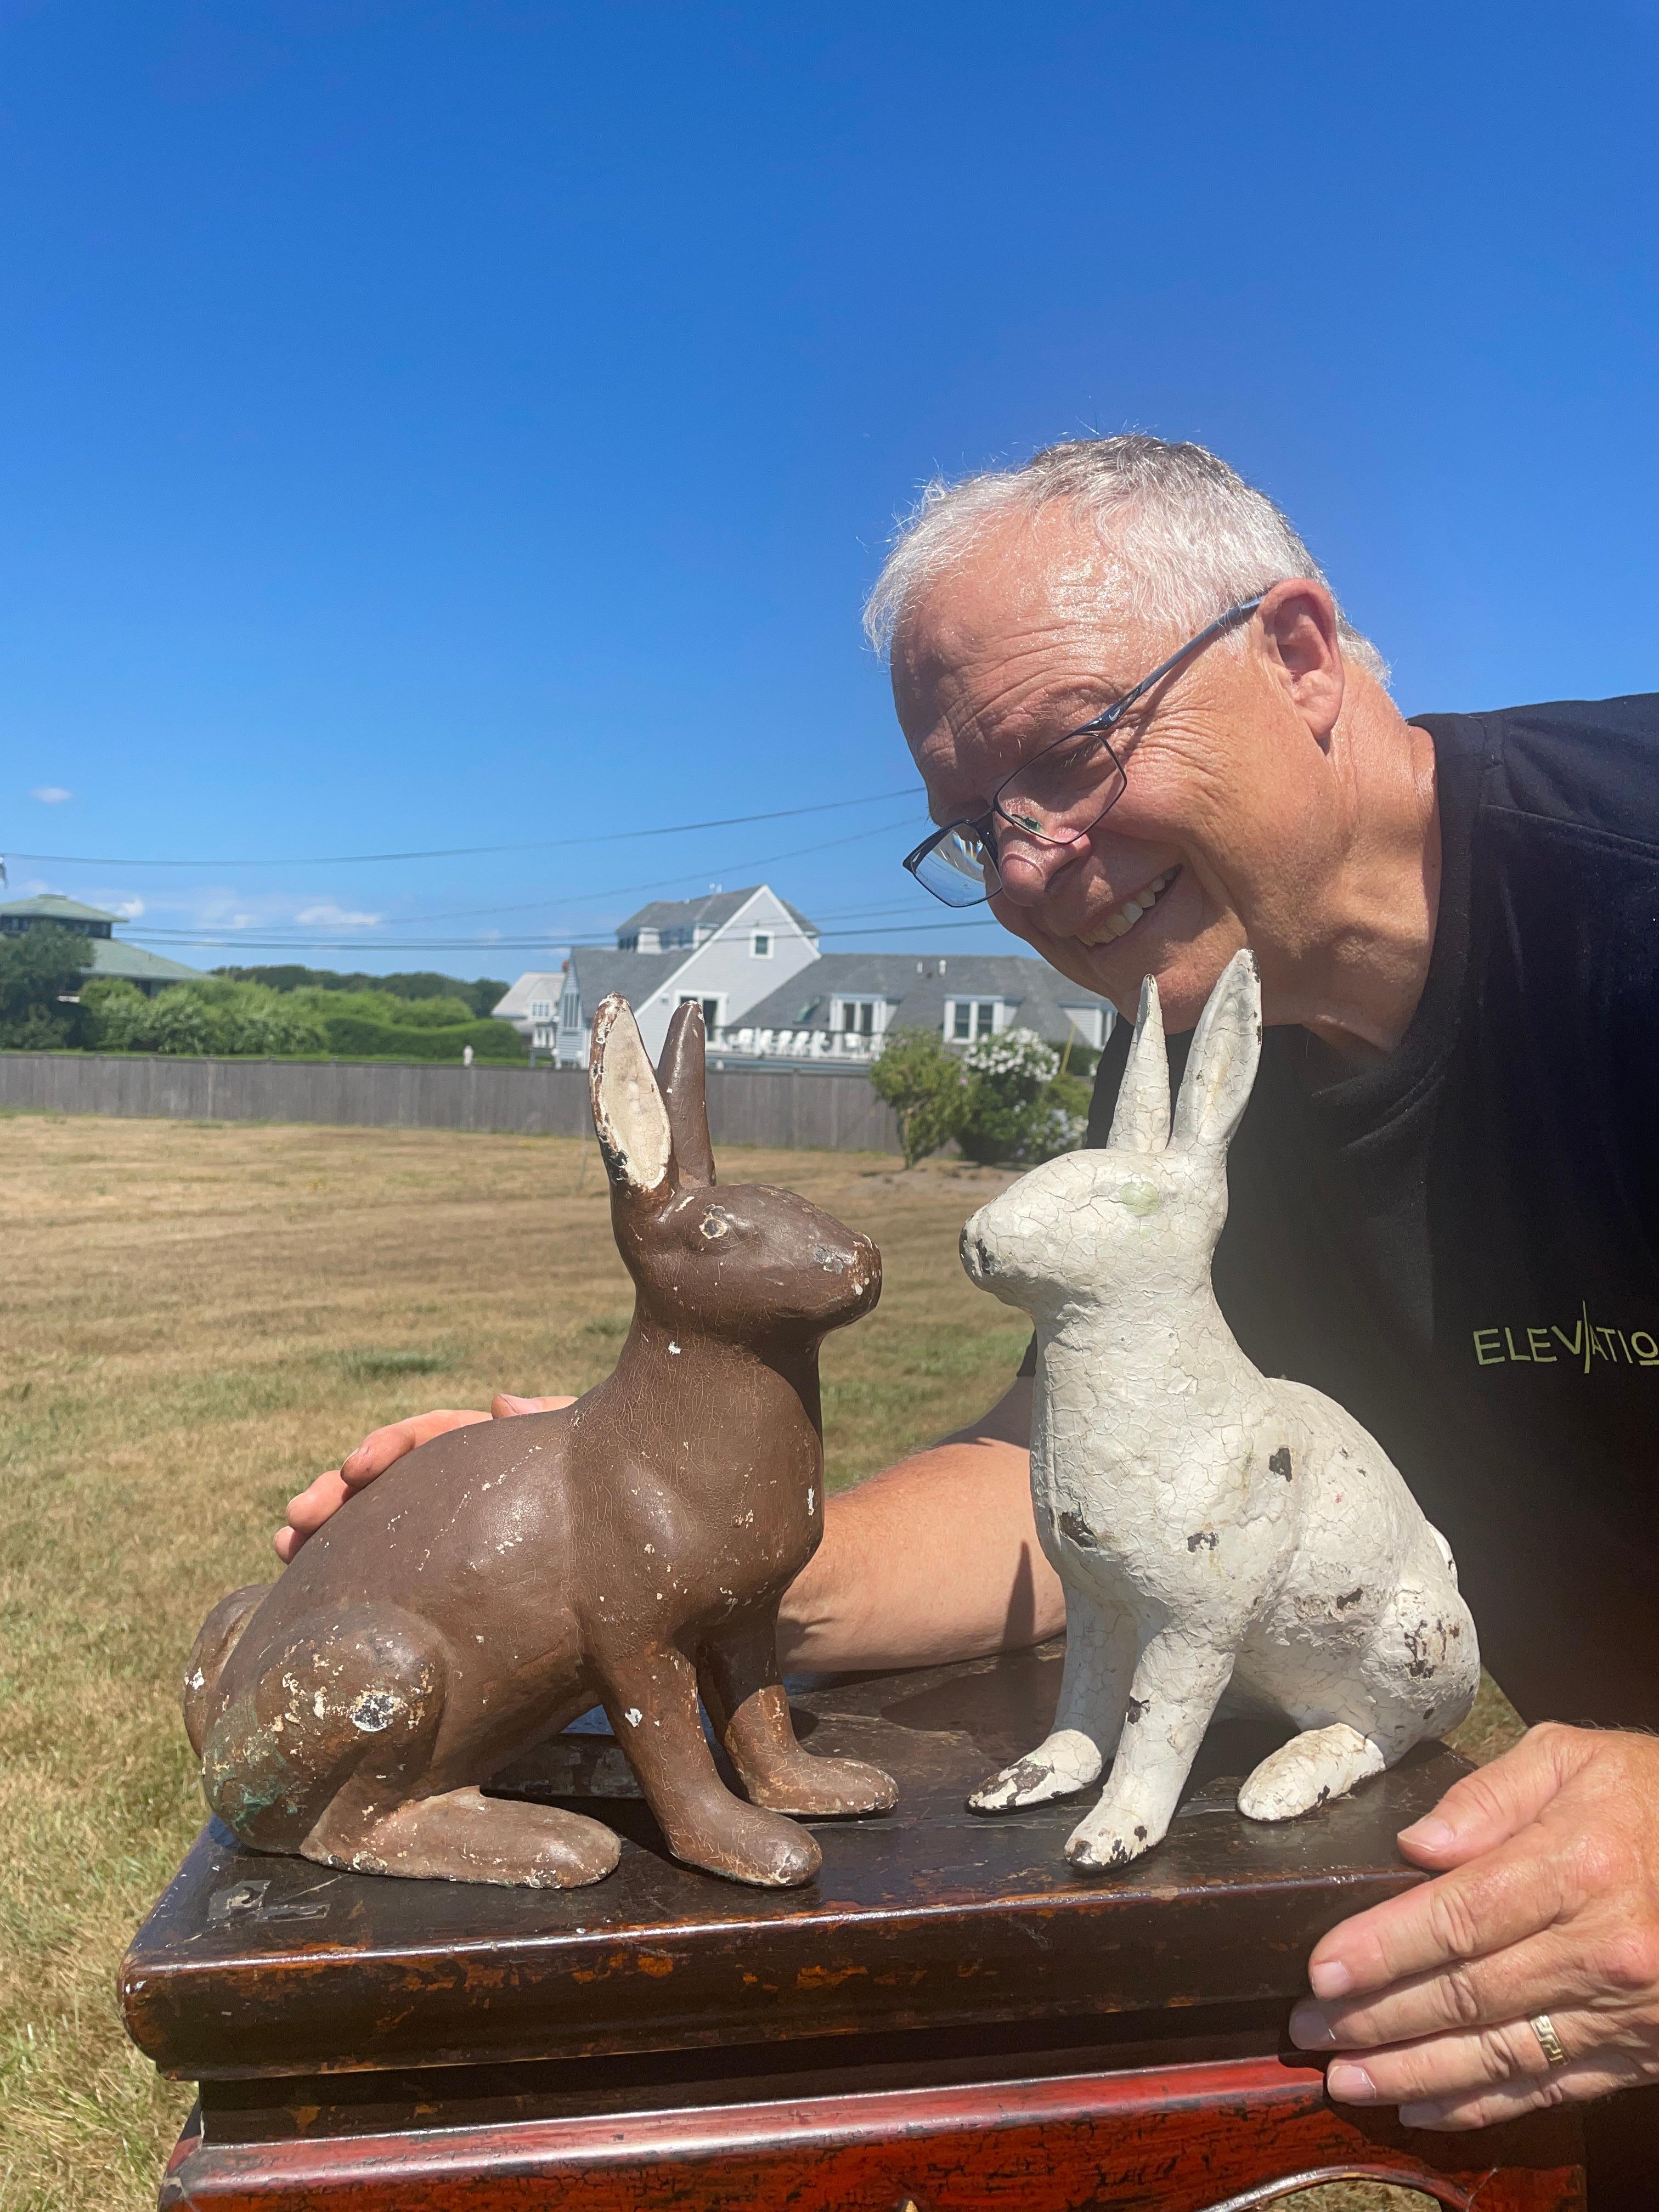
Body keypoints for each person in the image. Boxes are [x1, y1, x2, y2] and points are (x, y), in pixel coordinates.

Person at [278, 437, 1659, 2197]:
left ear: (1302, 654)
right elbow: (1059, 1472)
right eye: (975, 823)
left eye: (1072, 749)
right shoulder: (1199, 1042)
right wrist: (680, 1571)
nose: (1032, 864)